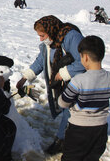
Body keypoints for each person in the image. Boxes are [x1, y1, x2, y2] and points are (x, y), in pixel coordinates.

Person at [16, 15, 85, 155]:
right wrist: (25, 77)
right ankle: (65, 139)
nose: (41, 39)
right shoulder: (49, 44)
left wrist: (63, 73)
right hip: (63, 84)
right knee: (69, 111)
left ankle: (62, 141)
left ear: (51, 30)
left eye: (42, 35)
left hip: (76, 82)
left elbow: (83, 60)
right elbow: (41, 61)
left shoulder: (71, 37)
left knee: (70, 112)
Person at [58, 35, 110, 161]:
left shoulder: (79, 80)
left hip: (78, 130)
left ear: (85, 57)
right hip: (100, 129)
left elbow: (63, 102)